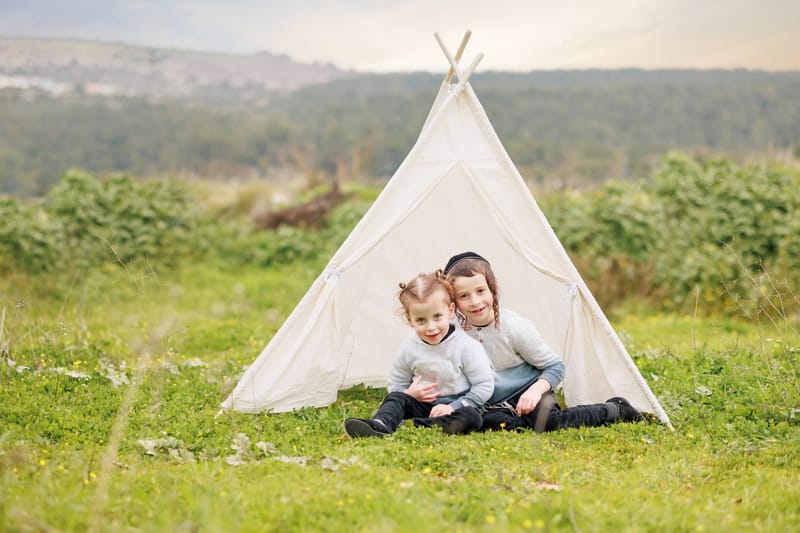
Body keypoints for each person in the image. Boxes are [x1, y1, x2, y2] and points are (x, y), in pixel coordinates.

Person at [443, 251, 644, 433]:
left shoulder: (513, 327)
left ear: (493, 288)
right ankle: (524, 423)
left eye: (481, 291)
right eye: (464, 296)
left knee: (549, 421)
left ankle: (614, 409)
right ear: (453, 302)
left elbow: (555, 367)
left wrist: (534, 391)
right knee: (490, 424)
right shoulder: (453, 333)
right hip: (494, 402)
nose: (475, 302)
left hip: (530, 389)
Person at [344, 270, 495, 438]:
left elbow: (484, 385)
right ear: (409, 319)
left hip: (456, 406)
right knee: (396, 398)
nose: (431, 327)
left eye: (437, 317)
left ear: (451, 310)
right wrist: (409, 394)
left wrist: (453, 406)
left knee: (471, 417)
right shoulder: (409, 348)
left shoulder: (466, 346)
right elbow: (396, 383)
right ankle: (380, 425)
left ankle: (415, 426)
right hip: (422, 405)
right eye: (421, 320)